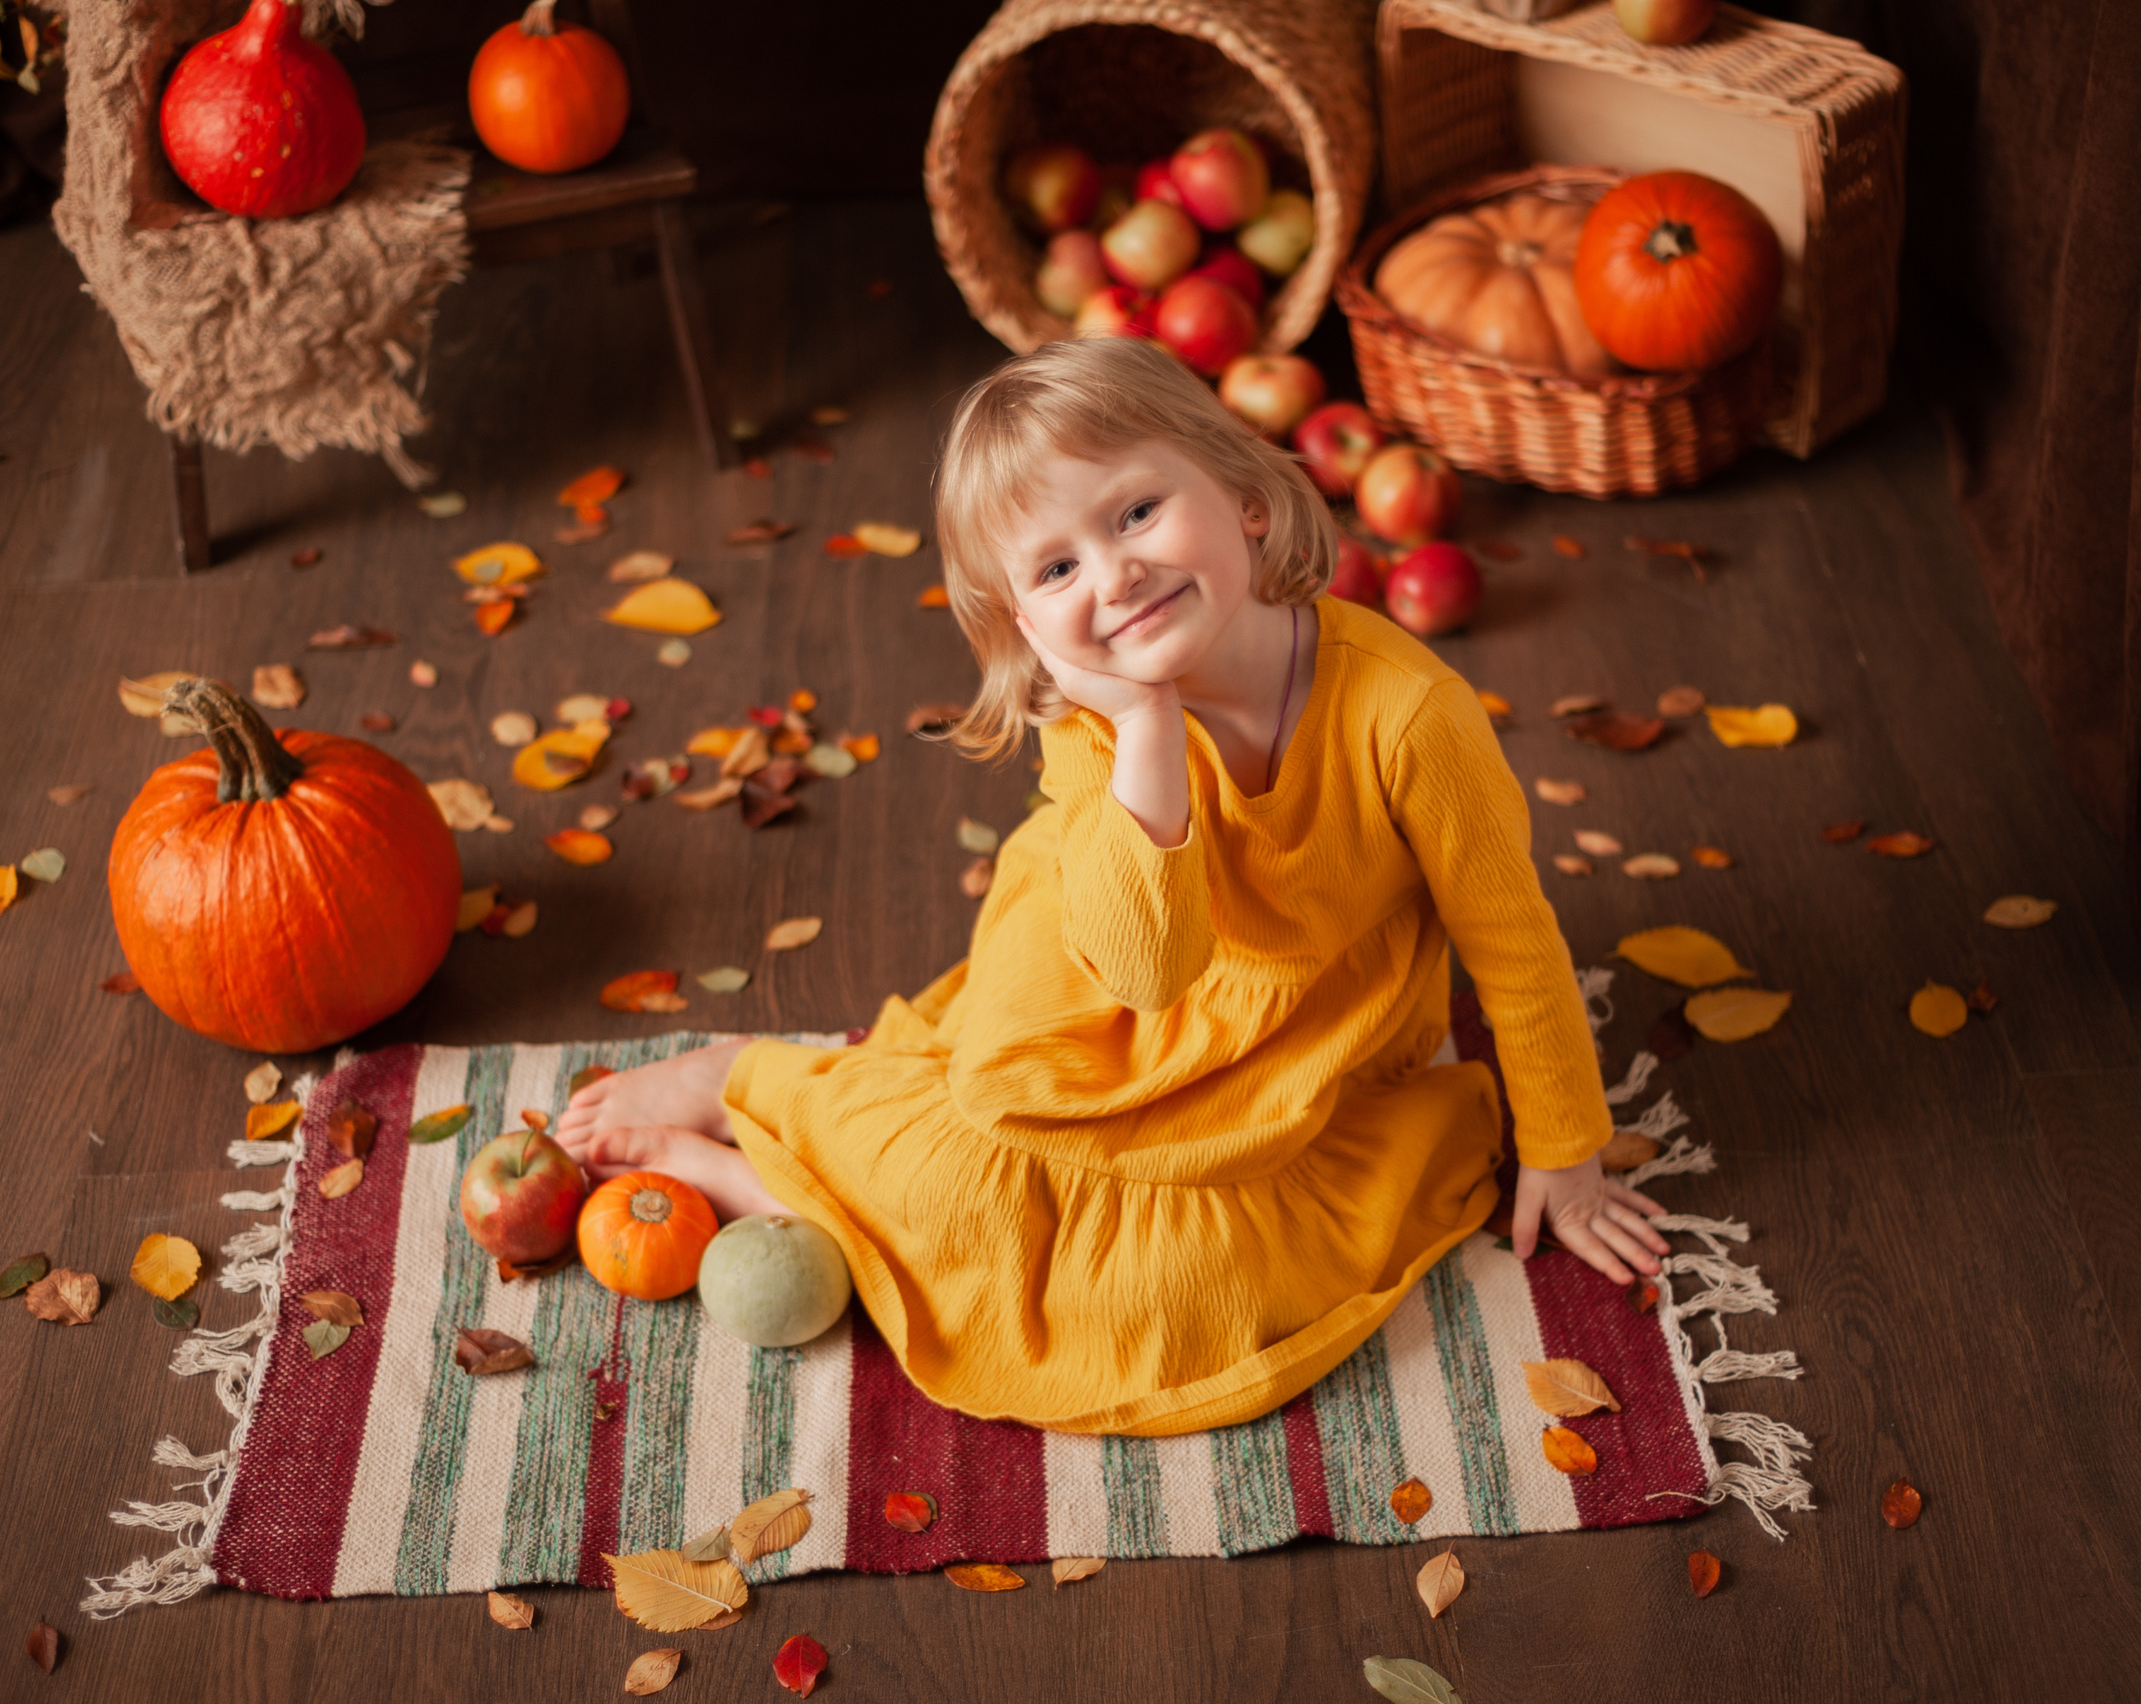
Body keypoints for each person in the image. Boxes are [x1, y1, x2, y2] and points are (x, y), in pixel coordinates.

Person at [556, 336, 1665, 1435]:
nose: (1115, 573)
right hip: (1107, 982)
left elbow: (1513, 943)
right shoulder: (1096, 720)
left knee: (1178, 1294)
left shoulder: (1407, 715)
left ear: (1241, 496)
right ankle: (752, 1084)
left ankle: (763, 1170)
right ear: (1029, 628)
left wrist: (1566, 1156)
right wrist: (1143, 725)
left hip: (1298, 1051)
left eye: (1134, 512)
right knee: (960, 1176)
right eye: (1056, 568)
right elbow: (1148, 968)